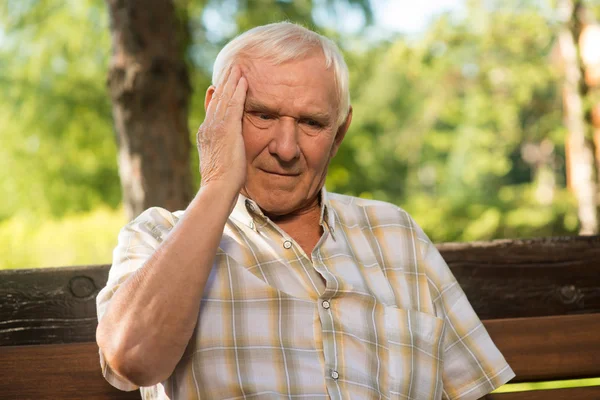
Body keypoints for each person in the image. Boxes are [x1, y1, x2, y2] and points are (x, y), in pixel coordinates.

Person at [96, 22, 515, 400]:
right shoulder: (158, 235)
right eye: (261, 115)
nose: (285, 148)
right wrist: (219, 183)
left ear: (339, 133)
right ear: (216, 113)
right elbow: (133, 358)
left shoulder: (396, 232)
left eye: (312, 124)